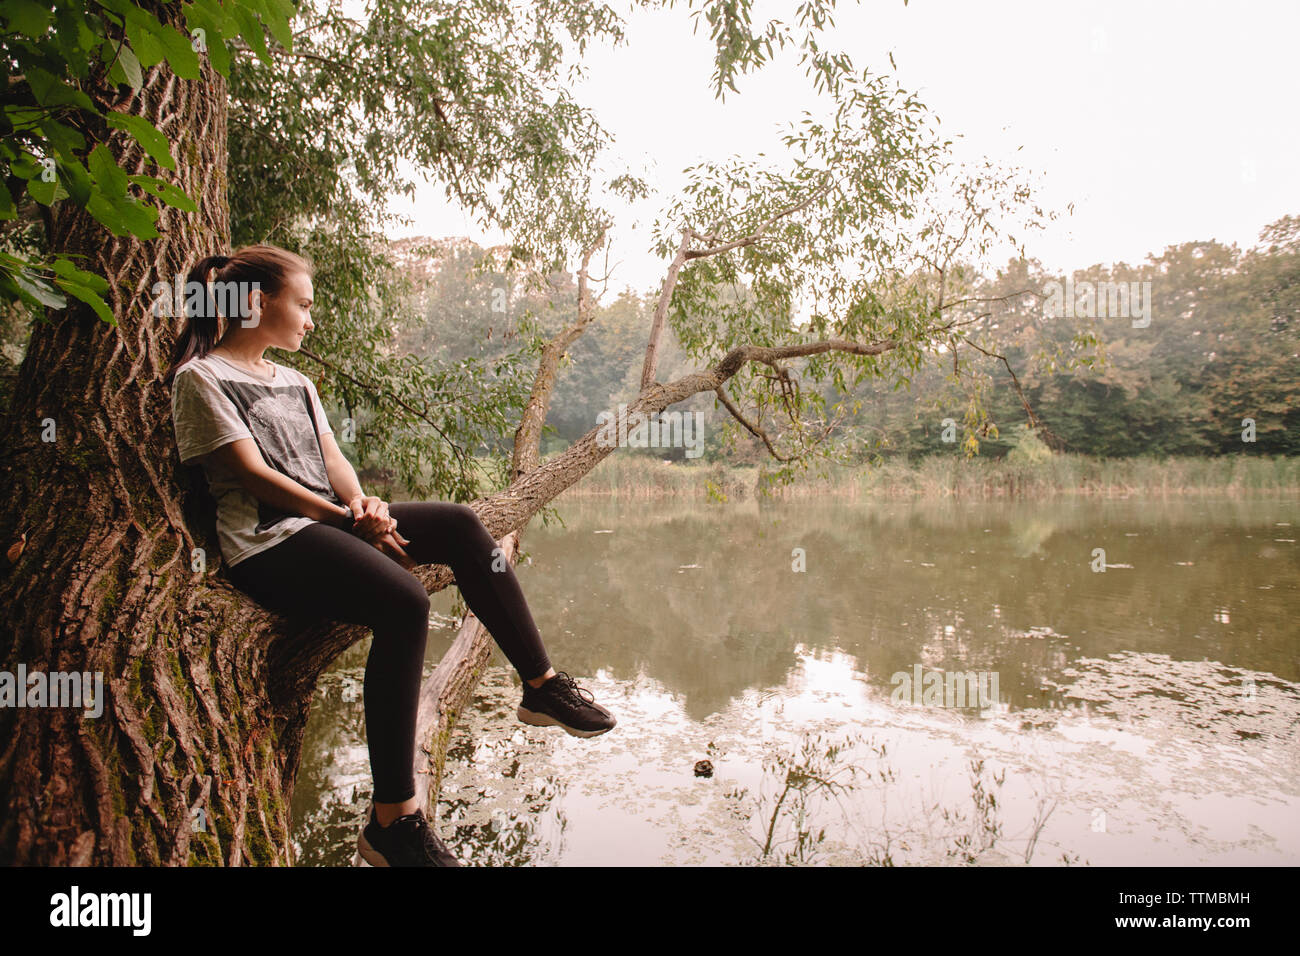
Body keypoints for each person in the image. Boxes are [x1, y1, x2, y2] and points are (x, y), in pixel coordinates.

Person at [163, 244, 615, 868]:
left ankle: (540, 685)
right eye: (304, 304)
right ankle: (393, 822)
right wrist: (347, 519)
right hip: (270, 544)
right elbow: (251, 473)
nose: (310, 319)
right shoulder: (202, 379)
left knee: (460, 525)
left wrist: (366, 504)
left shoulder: (295, 382)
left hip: (332, 523)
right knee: (404, 602)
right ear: (258, 302)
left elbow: (332, 459)